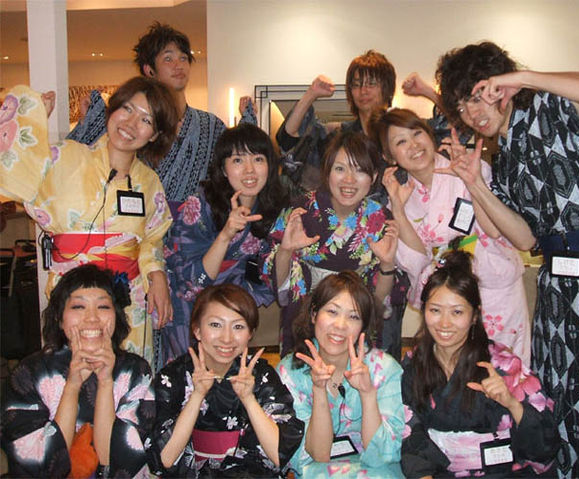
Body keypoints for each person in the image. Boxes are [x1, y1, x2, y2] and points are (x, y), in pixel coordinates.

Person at [435, 41, 579, 478]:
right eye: (462, 107)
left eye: (476, 97)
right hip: (555, 280)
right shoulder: (504, 155)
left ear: (500, 84)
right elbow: (524, 237)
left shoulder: (551, 106)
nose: (472, 114)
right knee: (555, 393)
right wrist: (475, 183)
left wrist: (525, 78)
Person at [0, 77, 176, 364]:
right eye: (127, 109)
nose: (131, 124)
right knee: (70, 375)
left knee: (127, 376)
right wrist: (31, 119)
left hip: (126, 299)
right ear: (112, 109)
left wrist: (156, 274)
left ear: (155, 135)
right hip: (73, 297)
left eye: (146, 120)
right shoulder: (63, 157)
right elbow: (14, 175)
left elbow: (151, 237)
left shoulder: (149, 182)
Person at [371, 107, 531, 366]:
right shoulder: (400, 196)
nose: (414, 145)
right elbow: (416, 261)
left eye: (417, 133)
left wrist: (471, 180)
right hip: (447, 300)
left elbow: (494, 230)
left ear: (430, 135)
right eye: (401, 142)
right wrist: (398, 210)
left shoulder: (468, 166)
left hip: (493, 287)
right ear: (389, 156)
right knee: (455, 372)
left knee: (503, 371)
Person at [401, 250, 559, 478]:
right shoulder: (413, 365)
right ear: (424, 310)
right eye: (435, 310)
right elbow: (410, 432)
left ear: (475, 315)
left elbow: (545, 447)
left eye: (457, 312)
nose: (444, 323)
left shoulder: (504, 365)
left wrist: (512, 403)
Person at [67, 22, 256, 211]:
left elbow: (235, 160)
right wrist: (88, 121)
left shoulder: (210, 125)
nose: (178, 65)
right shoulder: (134, 125)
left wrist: (247, 123)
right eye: (168, 59)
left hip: (196, 225)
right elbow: (77, 161)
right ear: (149, 70)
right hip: (136, 220)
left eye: (183, 58)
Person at [1, 264, 155, 478]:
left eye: (103, 306)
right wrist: (72, 386)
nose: (92, 318)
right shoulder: (29, 372)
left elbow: (120, 460)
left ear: (116, 315)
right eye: (78, 307)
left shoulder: (135, 371)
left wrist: (105, 383)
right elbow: (35, 463)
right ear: (59, 318)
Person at [261, 130, 403, 357]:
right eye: (340, 169)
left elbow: (379, 301)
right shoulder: (299, 211)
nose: (349, 180)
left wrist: (387, 265)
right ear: (327, 171)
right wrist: (286, 251)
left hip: (355, 321)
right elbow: (279, 285)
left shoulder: (381, 220)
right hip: (305, 316)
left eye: (360, 170)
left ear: (374, 176)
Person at [162, 123, 288, 365]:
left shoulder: (272, 211)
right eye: (238, 160)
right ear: (223, 168)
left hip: (232, 311)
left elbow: (270, 281)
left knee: (229, 377)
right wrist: (226, 234)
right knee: (190, 376)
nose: (249, 170)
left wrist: (288, 248)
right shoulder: (199, 207)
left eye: (258, 159)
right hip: (189, 312)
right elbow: (193, 283)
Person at [147, 284, 304, 477]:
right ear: (197, 330)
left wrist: (248, 399)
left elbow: (278, 455)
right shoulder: (173, 376)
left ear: (250, 333)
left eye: (238, 327)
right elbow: (165, 459)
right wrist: (197, 396)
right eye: (215, 325)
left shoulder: (261, 375)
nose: (227, 338)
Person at [277, 271, 405, 478]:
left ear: (363, 326)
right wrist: (319, 390)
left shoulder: (384, 369)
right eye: (332, 312)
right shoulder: (290, 373)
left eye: (353, 316)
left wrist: (368, 394)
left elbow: (382, 455)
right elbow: (318, 454)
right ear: (314, 314)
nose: (340, 325)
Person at [276, 50, 396, 195]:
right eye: (356, 84)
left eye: (371, 83)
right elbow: (288, 140)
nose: (363, 91)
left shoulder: (401, 135)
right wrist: (311, 94)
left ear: (387, 88)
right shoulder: (338, 136)